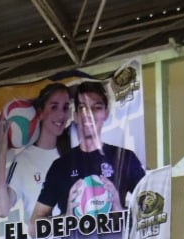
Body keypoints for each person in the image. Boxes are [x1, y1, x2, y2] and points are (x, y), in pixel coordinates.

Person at [31, 81, 146, 223]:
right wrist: (66, 218)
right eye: (83, 108)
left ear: (106, 113)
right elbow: (33, 227)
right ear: (76, 115)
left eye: (96, 108)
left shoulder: (125, 158)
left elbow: (150, 211)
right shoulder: (60, 166)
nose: (89, 115)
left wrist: (118, 209)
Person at [0, 82, 72, 223]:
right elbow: (2, 209)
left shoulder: (73, 153)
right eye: (54, 107)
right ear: (40, 113)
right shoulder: (23, 160)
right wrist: (3, 150)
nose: (61, 114)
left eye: (65, 108)